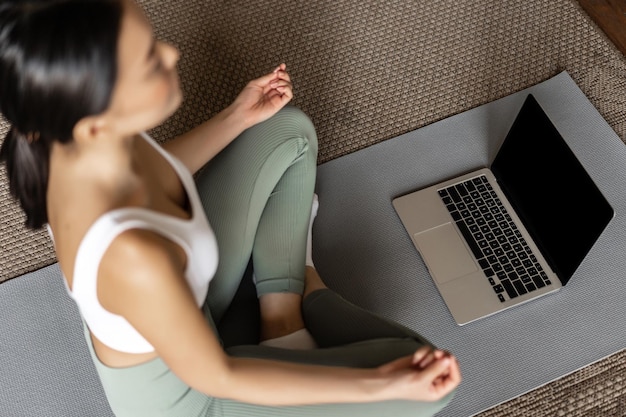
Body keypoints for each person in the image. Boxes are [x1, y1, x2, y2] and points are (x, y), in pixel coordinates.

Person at [0, 0, 461, 416]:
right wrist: (381, 384)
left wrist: (238, 116)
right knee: (428, 381)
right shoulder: (133, 257)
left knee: (287, 129)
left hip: (185, 300)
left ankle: (282, 315)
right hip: (196, 394)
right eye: (148, 62)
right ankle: (303, 290)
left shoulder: (73, 136)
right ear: (95, 119)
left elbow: (159, 172)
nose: (172, 54)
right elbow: (218, 376)